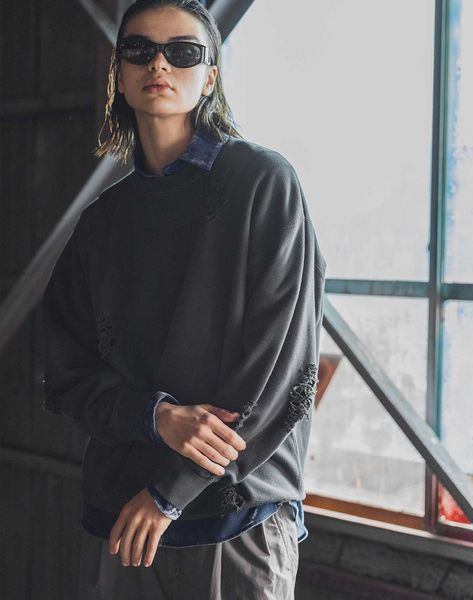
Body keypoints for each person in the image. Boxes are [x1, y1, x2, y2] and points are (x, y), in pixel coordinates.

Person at [41, 0, 326, 598]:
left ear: (210, 76)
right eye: (139, 50)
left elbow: (281, 368)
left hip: (235, 512)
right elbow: (65, 373)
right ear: (119, 75)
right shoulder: (101, 222)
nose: (159, 64)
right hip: (125, 519)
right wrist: (155, 417)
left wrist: (171, 491)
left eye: (183, 51)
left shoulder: (262, 182)